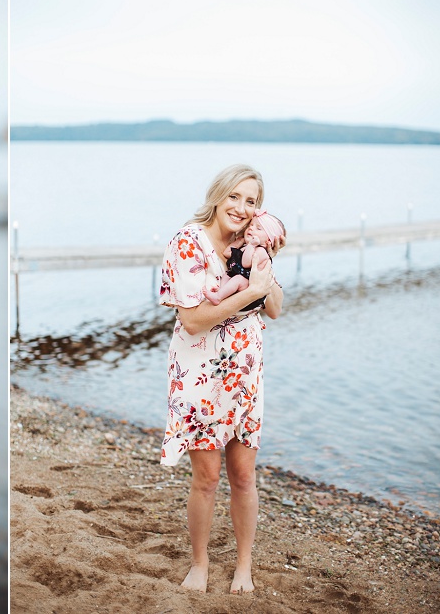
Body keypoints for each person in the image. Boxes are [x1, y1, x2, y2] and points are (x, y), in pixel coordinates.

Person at [159, 164, 284, 595]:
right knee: (207, 477)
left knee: (244, 476)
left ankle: (244, 565)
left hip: (246, 373)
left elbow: (276, 309)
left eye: (252, 202)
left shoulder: (250, 244)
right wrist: (249, 292)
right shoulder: (187, 243)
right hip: (199, 376)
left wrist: (268, 263)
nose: (242, 207)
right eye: (235, 196)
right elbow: (192, 321)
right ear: (218, 195)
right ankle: (200, 562)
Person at [203, 210, 285, 309]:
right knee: (226, 275)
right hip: (239, 277)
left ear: (269, 240)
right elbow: (227, 253)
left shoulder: (261, 252)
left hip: (248, 283)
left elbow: (246, 263)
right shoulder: (246, 246)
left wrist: (250, 245)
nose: (251, 228)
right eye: (250, 225)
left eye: (258, 228)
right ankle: (222, 292)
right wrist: (239, 241)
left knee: (237, 279)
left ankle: (218, 297)